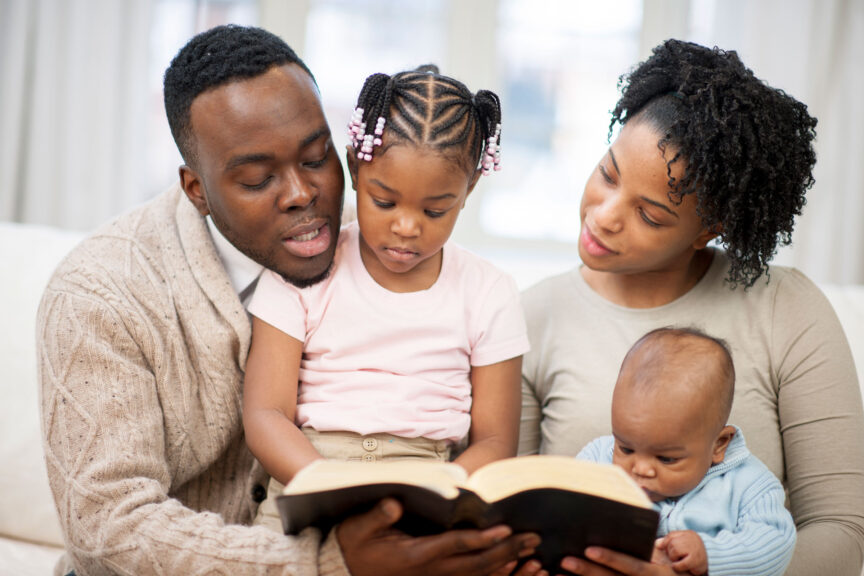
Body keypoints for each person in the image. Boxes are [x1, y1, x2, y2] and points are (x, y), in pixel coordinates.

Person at [36, 24, 540, 576]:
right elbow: (107, 531)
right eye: (256, 178)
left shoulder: (386, 240)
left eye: (316, 157)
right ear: (196, 189)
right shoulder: (100, 295)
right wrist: (327, 560)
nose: (303, 194)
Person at [518, 39, 864, 576]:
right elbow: (506, 510)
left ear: (708, 230)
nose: (604, 216)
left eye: (650, 215)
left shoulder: (786, 310)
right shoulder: (530, 316)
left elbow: (844, 531)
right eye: (608, 174)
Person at [243, 65, 528, 531]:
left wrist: (439, 492)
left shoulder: (488, 291)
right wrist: (325, 482)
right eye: (385, 201)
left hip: (431, 488)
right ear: (356, 166)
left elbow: (495, 441)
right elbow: (265, 414)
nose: (407, 226)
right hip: (309, 475)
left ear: (469, 188)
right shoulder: (304, 270)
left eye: (436, 210)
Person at [577, 327, 795, 576]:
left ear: (718, 445)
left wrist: (710, 555)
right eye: (626, 448)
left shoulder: (750, 485)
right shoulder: (597, 459)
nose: (641, 469)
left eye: (666, 458)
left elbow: (776, 543)